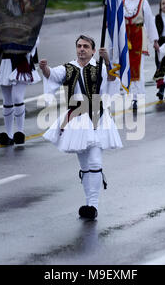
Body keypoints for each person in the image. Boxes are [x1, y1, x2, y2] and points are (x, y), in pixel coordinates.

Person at [39, 35, 122, 220]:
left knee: (95, 162)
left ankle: (93, 205)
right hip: (76, 119)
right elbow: (53, 75)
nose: (82, 49)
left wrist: (107, 60)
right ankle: (88, 203)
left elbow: (111, 79)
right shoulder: (68, 68)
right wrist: (44, 68)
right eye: (79, 46)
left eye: (86, 46)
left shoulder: (99, 67)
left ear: (93, 51)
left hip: (97, 118)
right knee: (85, 165)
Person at [123, 0, 159, 110]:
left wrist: (154, 40)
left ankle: (137, 96)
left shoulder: (143, 2)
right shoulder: (122, 3)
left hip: (138, 37)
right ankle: (131, 95)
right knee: (126, 66)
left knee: (137, 67)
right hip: (126, 38)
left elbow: (149, 22)